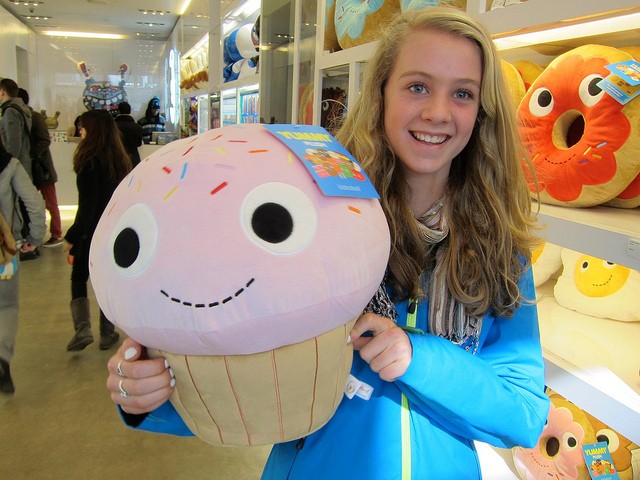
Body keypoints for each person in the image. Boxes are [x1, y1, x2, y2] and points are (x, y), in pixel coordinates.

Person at [105, 8, 551, 478]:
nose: (438, 112)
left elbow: (522, 416)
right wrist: (150, 394)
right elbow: (239, 371)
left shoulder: (497, 247)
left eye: (462, 93)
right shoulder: (313, 215)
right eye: (417, 86)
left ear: (482, 112)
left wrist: (419, 358)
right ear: (380, 93)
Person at [64, 109, 132, 352]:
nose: (80, 131)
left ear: (92, 130)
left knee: (79, 276)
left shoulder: (88, 161)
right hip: (112, 231)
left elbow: (88, 206)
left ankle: (82, 330)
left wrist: (73, 235)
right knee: (106, 281)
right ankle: (107, 331)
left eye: (83, 127)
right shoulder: (120, 160)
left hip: (90, 232)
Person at [0, 141, 46, 393]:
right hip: (4, 253)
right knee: (6, 306)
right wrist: (35, 237)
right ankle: (2, 356)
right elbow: (35, 203)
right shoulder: (10, 165)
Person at [16, 88, 63, 247]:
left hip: (41, 169)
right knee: (33, 203)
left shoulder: (34, 117)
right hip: (31, 168)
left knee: (50, 203)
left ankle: (56, 234)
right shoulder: (24, 116)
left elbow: (44, 140)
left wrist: (30, 155)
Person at [0, 79, 37, 260]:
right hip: (22, 165)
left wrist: (7, 164)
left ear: (2, 91)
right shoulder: (22, 109)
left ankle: (18, 244)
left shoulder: (10, 112)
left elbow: (12, 144)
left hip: (13, 167)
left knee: (12, 208)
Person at [114, 101, 143, 167]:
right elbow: (139, 144)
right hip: (133, 158)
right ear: (130, 111)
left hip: (117, 158)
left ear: (119, 111)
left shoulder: (113, 126)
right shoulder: (137, 127)